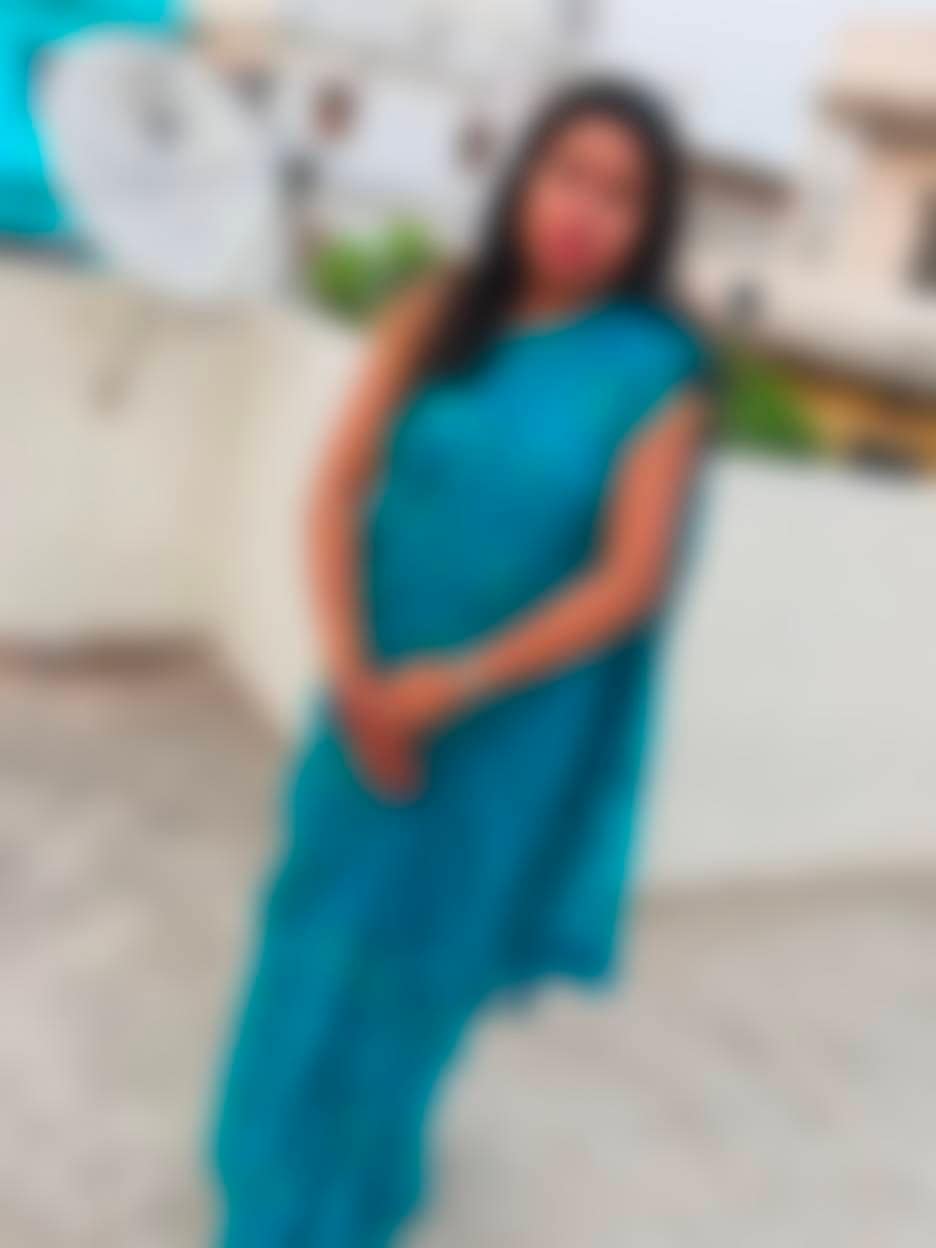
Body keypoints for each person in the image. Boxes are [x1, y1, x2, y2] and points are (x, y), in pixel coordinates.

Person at [213, 76, 711, 1247]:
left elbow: (630, 581)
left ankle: (354, 1196)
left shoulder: (653, 375)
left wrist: (458, 685)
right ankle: (264, 1176)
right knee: (314, 919)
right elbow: (337, 490)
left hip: (502, 731)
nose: (585, 210)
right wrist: (355, 673)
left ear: (651, 226)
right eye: (569, 174)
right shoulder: (440, 310)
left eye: (623, 195)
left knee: (420, 964)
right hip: (367, 690)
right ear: (524, 175)